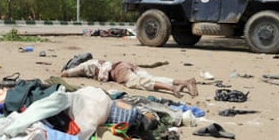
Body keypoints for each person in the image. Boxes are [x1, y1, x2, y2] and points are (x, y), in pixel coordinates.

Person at [60, 59, 198, 98]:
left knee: (137, 83)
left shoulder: (85, 65)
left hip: (118, 70)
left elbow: (68, 73)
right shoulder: (95, 62)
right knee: (151, 77)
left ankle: (171, 88)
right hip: (124, 64)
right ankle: (185, 82)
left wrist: (67, 71)